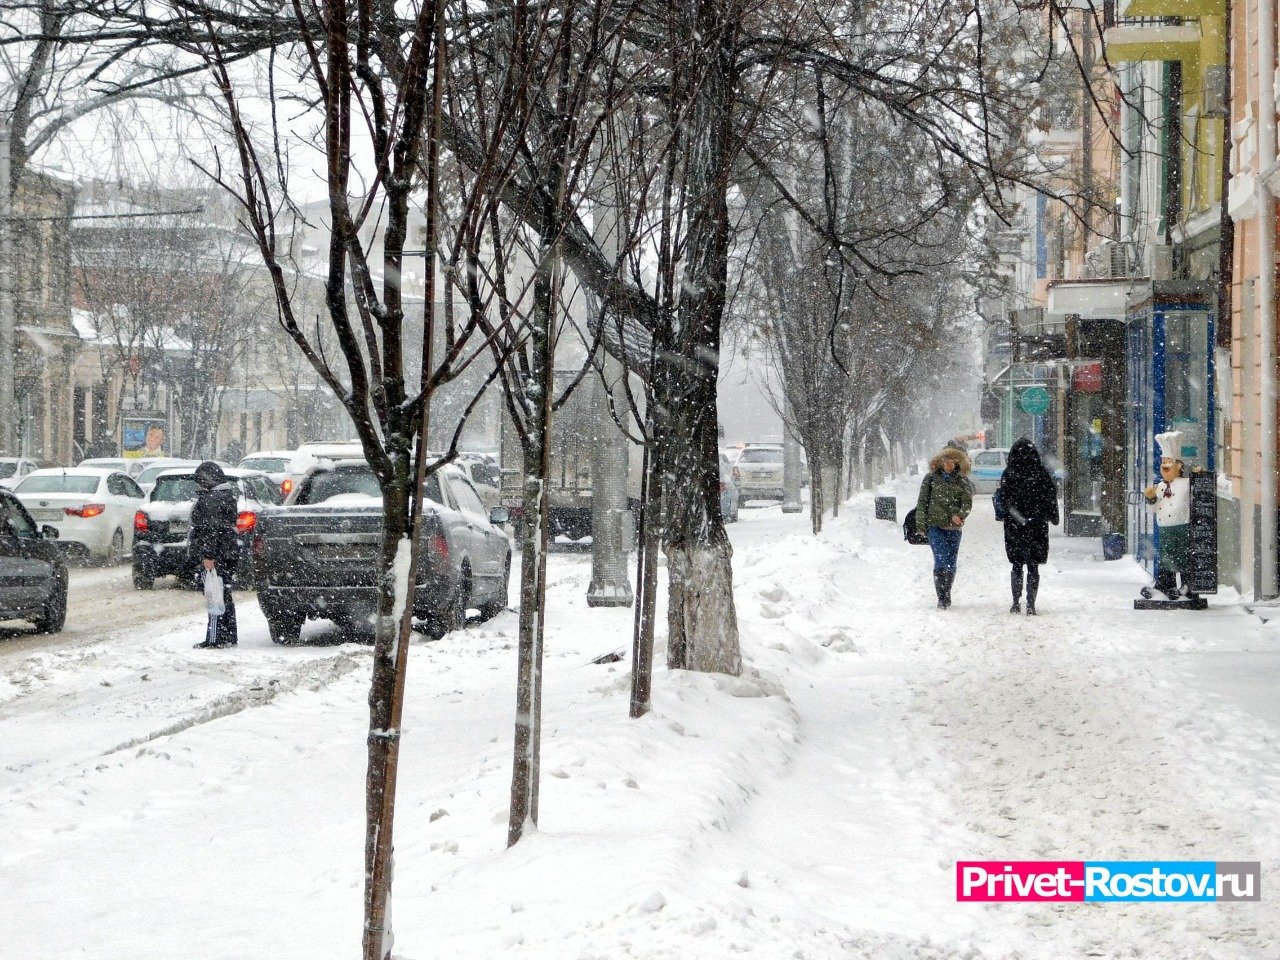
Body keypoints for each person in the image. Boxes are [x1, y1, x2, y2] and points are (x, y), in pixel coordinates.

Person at [996, 438, 1060, 615]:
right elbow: (1050, 497)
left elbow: (1004, 500)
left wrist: (1012, 515)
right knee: (1033, 565)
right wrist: (1052, 517)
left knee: (1017, 564)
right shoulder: (1041, 473)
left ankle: (1016, 602)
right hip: (1037, 525)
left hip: (1015, 525)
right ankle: (1031, 603)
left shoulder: (1009, 473)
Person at [915, 445, 974, 609]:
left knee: (951, 562)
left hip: (954, 529)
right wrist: (921, 523)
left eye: (952, 461)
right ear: (940, 462)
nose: (949, 464)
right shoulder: (931, 479)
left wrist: (961, 515)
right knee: (940, 560)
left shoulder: (962, 480)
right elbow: (922, 502)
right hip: (935, 526)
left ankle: (947, 592)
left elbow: (967, 503)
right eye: (945, 461)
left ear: (957, 463)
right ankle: (941, 597)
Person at [190, 461, 240, 648]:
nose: (199, 485)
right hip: (227, 554)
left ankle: (215, 638)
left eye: (201, 481)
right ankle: (229, 635)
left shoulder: (211, 500)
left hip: (215, 557)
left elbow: (211, 530)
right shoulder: (227, 496)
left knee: (214, 596)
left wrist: (208, 556)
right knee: (224, 595)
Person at [1141, 431, 1195, 601]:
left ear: (1178, 466)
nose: (1165, 465)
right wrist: (1151, 498)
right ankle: (1165, 585)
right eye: (1163, 462)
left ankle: (1187, 587)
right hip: (1165, 528)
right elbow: (1155, 509)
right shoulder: (1160, 487)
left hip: (1182, 526)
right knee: (1166, 558)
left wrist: (1200, 476)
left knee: (1185, 556)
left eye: (1169, 462)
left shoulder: (1186, 484)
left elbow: (1197, 496)